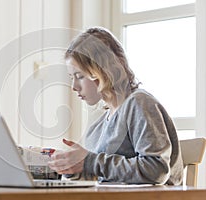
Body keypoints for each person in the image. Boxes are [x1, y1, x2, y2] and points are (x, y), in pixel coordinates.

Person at [47, 27, 183, 185]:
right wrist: (72, 167)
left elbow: (156, 170)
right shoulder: (98, 127)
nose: (74, 86)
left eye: (79, 76)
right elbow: (102, 175)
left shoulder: (139, 104)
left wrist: (90, 161)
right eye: (72, 77)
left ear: (103, 71)